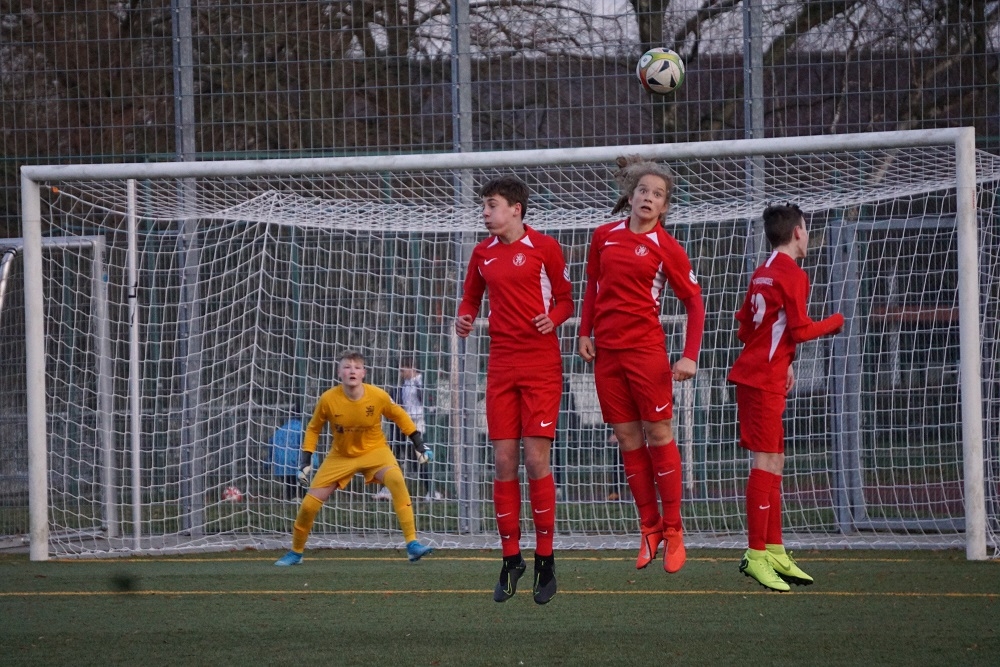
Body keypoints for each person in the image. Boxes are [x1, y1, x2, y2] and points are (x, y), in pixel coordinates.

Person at [577, 157, 705, 574]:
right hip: (607, 357)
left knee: (658, 433)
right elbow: (593, 286)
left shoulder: (668, 248)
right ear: (630, 196)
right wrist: (584, 331)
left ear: (665, 206)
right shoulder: (603, 236)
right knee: (627, 439)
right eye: (643, 191)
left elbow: (695, 303)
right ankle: (649, 527)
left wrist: (690, 354)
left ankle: (674, 530)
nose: (649, 198)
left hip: (646, 354)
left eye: (658, 194)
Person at [455, 175, 574, 605]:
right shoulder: (482, 253)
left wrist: (553, 319)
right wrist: (465, 318)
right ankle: (511, 560)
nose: (485, 213)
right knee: (504, 461)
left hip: (541, 366)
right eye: (484, 206)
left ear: (515, 209)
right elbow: (470, 299)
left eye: (491, 205)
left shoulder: (545, 247)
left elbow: (566, 300)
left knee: (535, 459)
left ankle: (545, 559)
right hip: (501, 367)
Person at [729, 203, 844, 591]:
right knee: (765, 460)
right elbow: (800, 330)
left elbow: (745, 327)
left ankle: (775, 549)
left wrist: (784, 361)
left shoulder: (762, 270)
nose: (807, 235)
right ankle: (755, 555)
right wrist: (836, 322)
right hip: (762, 380)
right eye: (806, 229)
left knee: (776, 459)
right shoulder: (792, 273)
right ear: (797, 232)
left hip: (763, 374)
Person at [274, 351, 435, 566]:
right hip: (340, 456)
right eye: (347, 367)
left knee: (396, 480)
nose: (352, 371)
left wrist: (419, 443)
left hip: (375, 451)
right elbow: (313, 428)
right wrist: (306, 459)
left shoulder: (377, 396)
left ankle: (412, 544)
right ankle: (296, 552)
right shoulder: (328, 399)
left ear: (363, 373)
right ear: (339, 372)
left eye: (357, 367)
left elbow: (399, 416)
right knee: (309, 505)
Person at [389, 357, 441, 500]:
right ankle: (389, 488)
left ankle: (432, 491)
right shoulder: (405, 384)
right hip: (404, 424)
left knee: (421, 458)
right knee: (394, 452)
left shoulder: (422, 381)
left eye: (403, 370)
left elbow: (430, 403)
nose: (401, 373)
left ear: (412, 368)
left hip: (418, 425)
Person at [268, 404, 313, 501]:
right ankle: (300, 499)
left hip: (280, 465)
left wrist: (268, 463)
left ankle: (290, 499)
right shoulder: (302, 429)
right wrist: (314, 462)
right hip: (296, 464)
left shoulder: (280, 429)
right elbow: (307, 447)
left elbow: (271, 445)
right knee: (300, 484)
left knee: (289, 485)